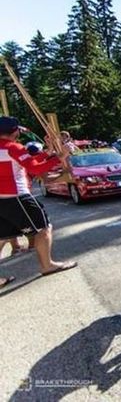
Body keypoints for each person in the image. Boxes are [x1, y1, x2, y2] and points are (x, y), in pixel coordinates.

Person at [0, 116, 77, 286]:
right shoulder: (14, 147)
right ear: (15, 131)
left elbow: (28, 159)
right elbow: (35, 168)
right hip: (16, 196)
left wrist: (49, 152)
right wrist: (60, 156)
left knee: (2, 237)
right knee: (43, 228)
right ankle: (47, 265)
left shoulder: (11, 149)